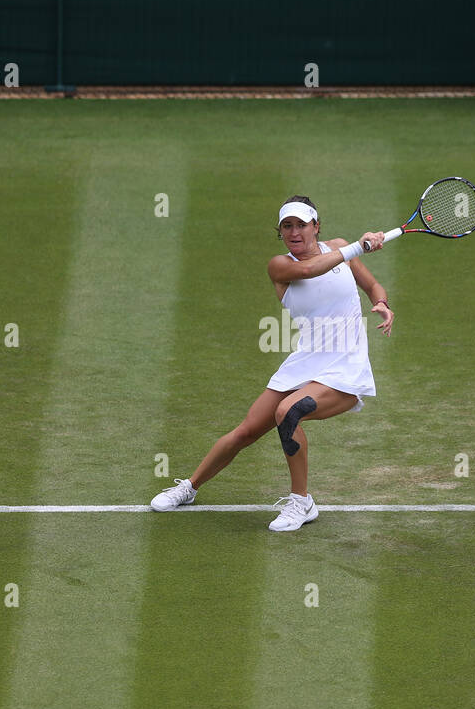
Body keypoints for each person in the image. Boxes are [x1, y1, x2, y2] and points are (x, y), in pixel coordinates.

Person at [150, 196, 395, 532]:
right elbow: (311, 269)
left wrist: (381, 303)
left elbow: (371, 285)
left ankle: (301, 502)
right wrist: (358, 246)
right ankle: (189, 488)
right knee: (245, 432)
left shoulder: (339, 248)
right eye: (287, 226)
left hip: (346, 366)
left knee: (288, 412)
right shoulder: (280, 265)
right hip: (306, 362)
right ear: (281, 232)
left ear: (316, 226)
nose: (294, 231)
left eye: (301, 224)